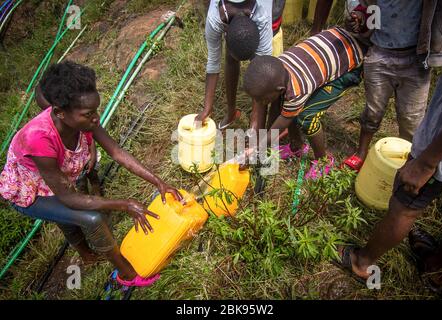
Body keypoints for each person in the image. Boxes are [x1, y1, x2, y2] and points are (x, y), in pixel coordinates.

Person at [0, 61, 183, 287]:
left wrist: (159, 183)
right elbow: (68, 197)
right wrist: (126, 204)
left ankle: (86, 255)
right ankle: (126, 275)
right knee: (91, 218)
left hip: (53, 180)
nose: (96, 118)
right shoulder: (39, 138)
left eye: (96, 110)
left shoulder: (83, 119)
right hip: (28, 191)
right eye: (89, 114)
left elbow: (117, 152)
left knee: (69, 213)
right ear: (59, 112)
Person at [336, 65, 442, 293]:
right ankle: (437, 265)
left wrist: (426, 162)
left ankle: (362, 262)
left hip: (439, 151)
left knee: (406, 207)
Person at [242, 26, 366, 178]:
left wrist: (258, 146)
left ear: (280, 88)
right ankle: (297, 146)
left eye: (262, 99)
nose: (259, 103)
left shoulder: (297, 90)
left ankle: (323, 161)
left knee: (307, 117)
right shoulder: (277, 68)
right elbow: (278, 110)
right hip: (335, 42)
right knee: (288, 108)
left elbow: (283, 120)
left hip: (350, 64)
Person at [343, 0, 442, 171]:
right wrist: (359, 18)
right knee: (372, 111)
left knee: (411, 120)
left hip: (416, 61)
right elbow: (369, 12)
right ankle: (361, 153)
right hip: (379, 55)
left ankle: (406, 161)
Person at [195, 0, 273, 130]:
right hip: (227, 22)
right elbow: (213, 61)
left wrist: (255, 122)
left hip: (262, 12)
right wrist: (206, 108)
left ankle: (254, 118)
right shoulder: (215, 18)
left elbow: (262, 66)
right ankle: (231, 111)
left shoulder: (263, 17)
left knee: (259, 65)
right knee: (231, 58)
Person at [35, 84, 101, 195]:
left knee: (92, 172)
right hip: (71, 168)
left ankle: (96, 188)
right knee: (80, 184)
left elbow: (89, 135)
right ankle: (89, 201)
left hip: (84, 157)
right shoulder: (44, 134)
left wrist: (92, 153)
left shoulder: (76, 118)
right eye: (48, 109)